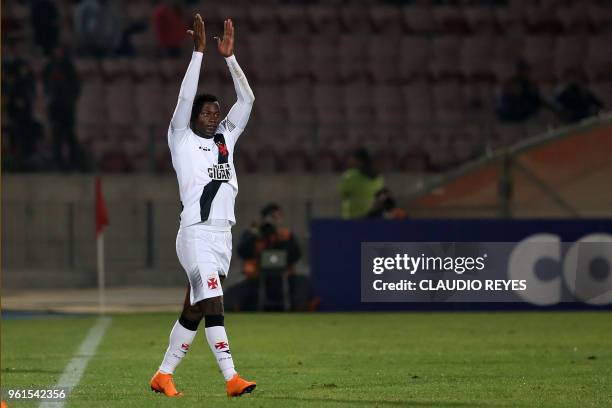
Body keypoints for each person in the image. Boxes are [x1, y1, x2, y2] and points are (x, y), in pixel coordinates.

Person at [150, 14, 256, 398]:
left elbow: (247, 99)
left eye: (216, 112)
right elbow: (183, 98)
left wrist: (229, 59)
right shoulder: (180, 138)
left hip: (222, 235)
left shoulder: (226, 137)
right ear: (193, 117)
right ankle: (232, 378)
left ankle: (163, 375)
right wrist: (198, 55)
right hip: (195, 233)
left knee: (194, 309)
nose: (213, 117)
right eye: (206, 113)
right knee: (214, 302)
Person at [233, 203, 315, 311]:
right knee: (243, 290)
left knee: (301, 284)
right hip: (256, 276)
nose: (276, 220)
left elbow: (295, 255)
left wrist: (281, 240)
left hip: (284, 276)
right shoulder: (253, 233)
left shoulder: (285, 234)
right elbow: (242, 252)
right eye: (273, 217)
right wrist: (254, 234)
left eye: (278, 217)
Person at [339, 148, 385, 219]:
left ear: (358, 160)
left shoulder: (349, 176)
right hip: (371, 220)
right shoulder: (379, 177)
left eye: (352, 158)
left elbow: (343, 194)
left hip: (352, 219)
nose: (349, 160)